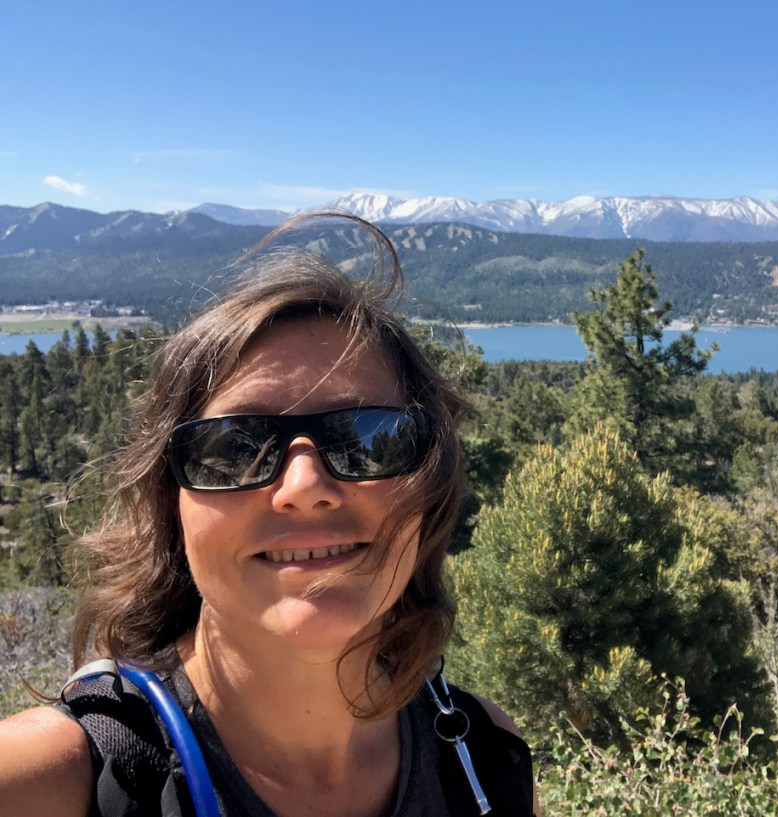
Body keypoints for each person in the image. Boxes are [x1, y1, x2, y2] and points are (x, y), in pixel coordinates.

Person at [0, 215, 537, 817]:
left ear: (429, 488)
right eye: (236, 449)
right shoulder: (52, 781)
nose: (305, 488)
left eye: (369, 439)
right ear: (171, 503)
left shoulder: (483, 760)